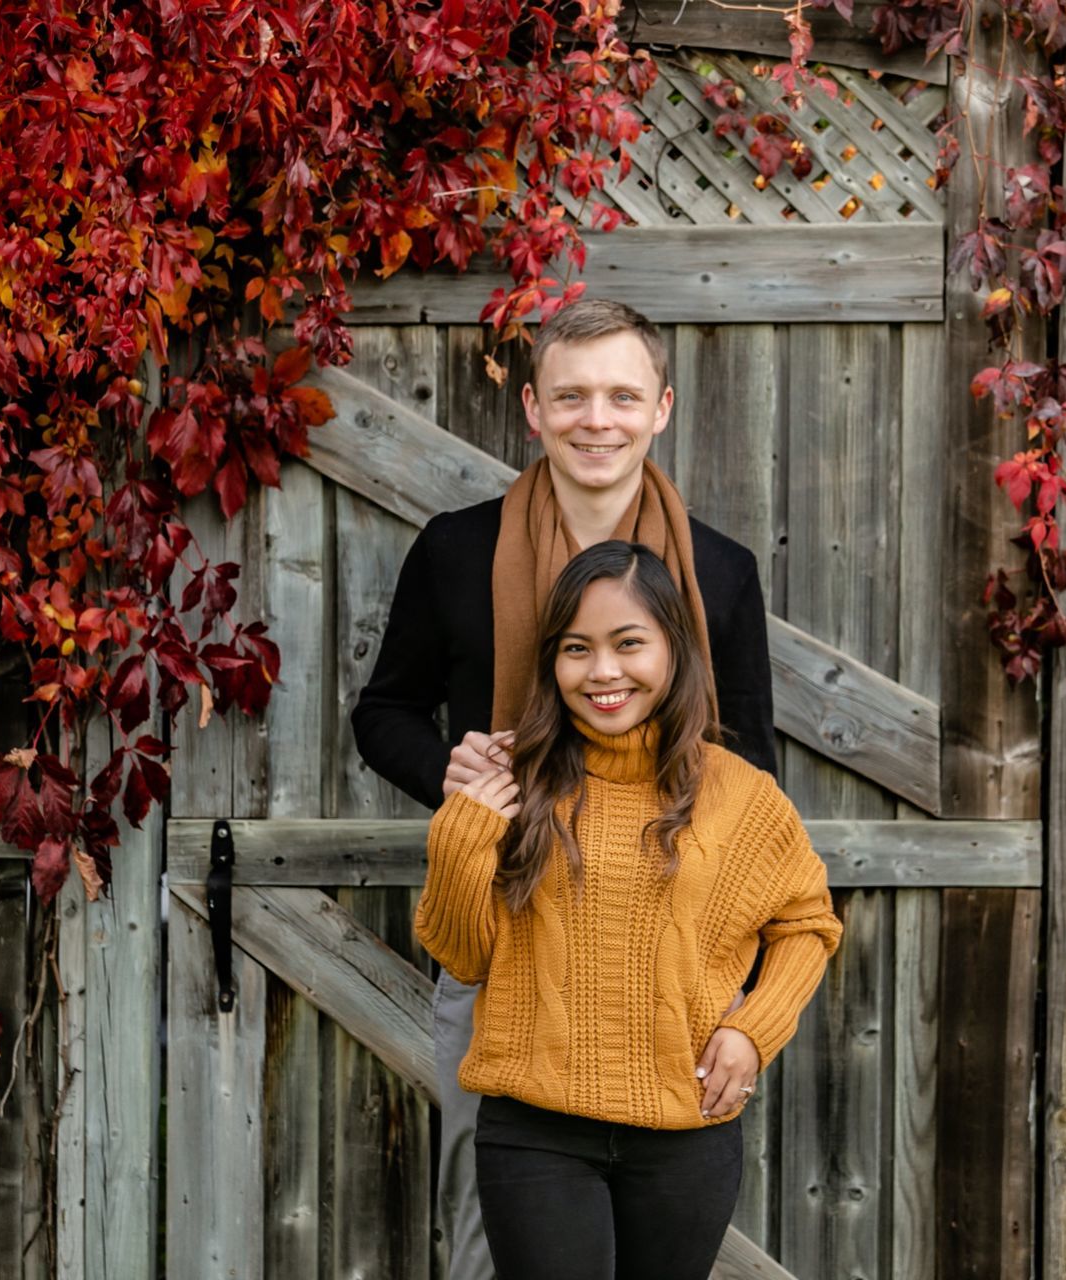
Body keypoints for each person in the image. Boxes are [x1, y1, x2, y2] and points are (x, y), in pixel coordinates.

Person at [351, 299, 777, 1279]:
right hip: (502, 946)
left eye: (623, 395)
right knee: (485, 1239)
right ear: (533, 409)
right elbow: (385, 714)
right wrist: (447, 769)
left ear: (660, 406)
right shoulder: (457, 551)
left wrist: (741, 997)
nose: (598, 418)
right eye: (572, 395)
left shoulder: (719, 574)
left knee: (658, 1241)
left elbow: (753, 777)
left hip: (671, 959)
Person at [414, 541, 840, 1280]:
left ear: (674, 649)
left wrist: (752, 1031)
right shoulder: (514, 780)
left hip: (686, 1133)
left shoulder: (742, 796)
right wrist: (462, 831)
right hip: (535, 1132)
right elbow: (465, 957)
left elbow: (807, 925)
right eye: (577, 649)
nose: (603, 672)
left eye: (628, 644)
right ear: (552, 661)